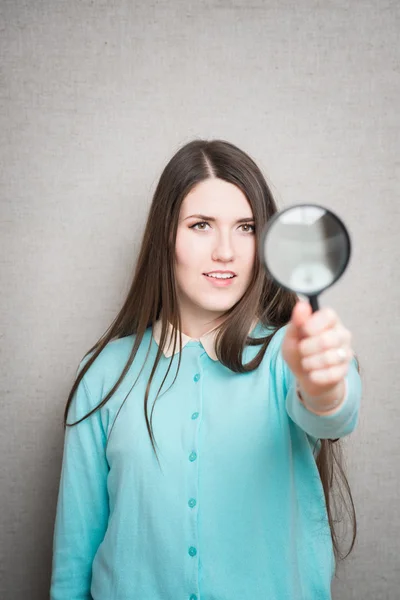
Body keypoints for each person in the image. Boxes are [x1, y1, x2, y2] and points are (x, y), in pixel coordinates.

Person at [50, 139, 362, 600]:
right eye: (200, 226)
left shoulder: (288, 354)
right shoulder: (102, 373)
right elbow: (74, 557)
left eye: (246, 228)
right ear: (165, 238)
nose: (225, 252)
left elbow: (334, 411)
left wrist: (324, 384)